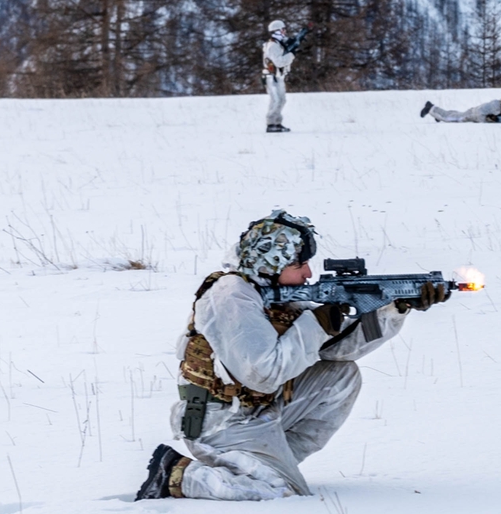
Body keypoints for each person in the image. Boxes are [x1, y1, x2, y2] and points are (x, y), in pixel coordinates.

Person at [135, 210, 448, 501]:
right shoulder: (231, 296)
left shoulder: (269, 289)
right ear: (271, 264)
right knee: (281, 493)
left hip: (259, 409)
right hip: (221, 422)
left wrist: (394, 307)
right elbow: (262, 372)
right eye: (299, 265)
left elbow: (335, 350)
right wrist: (318, 321)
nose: (309, 272)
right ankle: (178, 475)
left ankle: (268, 460)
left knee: (340, 376)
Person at [262, 20, 297, 133]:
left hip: (277, 76)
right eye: (283, 29)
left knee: (281, 100)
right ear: (278, 31)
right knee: (277, 100)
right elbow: (279, 62)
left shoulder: (277, 44)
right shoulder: (273, 46)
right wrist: (291, 55)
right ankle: (271, 124)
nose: (285, 32)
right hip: (272, 77)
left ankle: (277, 123)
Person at [420, 92, 501, 123]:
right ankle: (430, 108)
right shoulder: (496, 105)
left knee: (453, 114)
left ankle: (436, 112)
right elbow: (481, 111)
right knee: (449, 119)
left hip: (472, 113)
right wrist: (486, 120)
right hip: (472, 115)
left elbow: (499, 118)